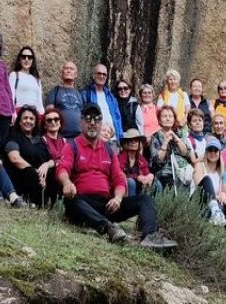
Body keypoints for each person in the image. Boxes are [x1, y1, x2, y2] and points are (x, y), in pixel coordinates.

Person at [57, 105, 177, 250]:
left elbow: (119, 178)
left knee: (145, 200)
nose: (92, 122)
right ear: (81, 122)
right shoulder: (72, 146)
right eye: (88, 118)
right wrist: (67, 183)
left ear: (101, 123)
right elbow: (63, 168)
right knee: (71, 200)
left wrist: (118, 198)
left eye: (97, 119)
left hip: (107, 204)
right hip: (84, 202)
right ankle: (108, 228)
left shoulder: (108, 150)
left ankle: (150, 236)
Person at [5, 105, 56, 206]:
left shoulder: (40, 139)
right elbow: (14, 158)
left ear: (35, 123)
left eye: (31, 119)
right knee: (31, 173)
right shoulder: (14, 136)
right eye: (25, 118)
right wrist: (37, 173)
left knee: (53, 172)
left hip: (41, 176)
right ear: (19, 122)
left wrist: (46, 166)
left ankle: (50, 204)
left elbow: (51, 159)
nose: (28, 121)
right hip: (23, 176)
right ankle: (32, 202)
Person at [149, 105, 190, 191]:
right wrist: (165, 142)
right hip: (165, 173)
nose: (168, 119)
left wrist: (176, 139)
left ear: (174, 119)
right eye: (164, 116)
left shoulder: (180, 133)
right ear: (159, 120)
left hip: (182, 171)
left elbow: (185, 153)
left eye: (170, 116)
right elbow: (157, 161)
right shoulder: (155, 137)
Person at [192, 138, 226, 225]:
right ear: (206, 152)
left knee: (225, 202)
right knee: (207, 179)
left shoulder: (221, 172)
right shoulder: (199, 165)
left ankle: (215, 217)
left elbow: (220, 194)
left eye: (215, 150)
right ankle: (215, 212)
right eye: (210, 150)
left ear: (219, 153)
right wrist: (217, 196)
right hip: (197, 200)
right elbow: (200, 186)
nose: (213, 153)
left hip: (210, 205)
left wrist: (223, 194)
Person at [82, 64, 121, 143]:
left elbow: (117, 119)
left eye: (104, 74)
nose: (101, 76)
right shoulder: (86, 94)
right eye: (99, 73)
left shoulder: (110, 97)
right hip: (95, 140)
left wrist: (120, 138)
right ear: (93, 76)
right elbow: (82, 117)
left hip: (113, 140)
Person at [44, 61, 84, 139]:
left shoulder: (79, 94)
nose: (68, 70)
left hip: (78, 137)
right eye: (66, 68)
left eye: (71, 69)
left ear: (76, 74)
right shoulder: (55, 91)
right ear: (62, 73)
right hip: (61, 136)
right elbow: (49, 113)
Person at [41, 108, 68, 205]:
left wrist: (52, 162)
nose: (53, 122)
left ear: (60, 123)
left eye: (56, 119)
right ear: (45, 125)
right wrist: (56, 162)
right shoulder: (42, 140)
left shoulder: (65, 141)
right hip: (50, 177)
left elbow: (67, 160)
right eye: (49, 120)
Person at [117, 129, 154, 196]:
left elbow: (146, 173)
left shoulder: (142, 159)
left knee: (157, 183)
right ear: (126, 143)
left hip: (139, 188)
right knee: (130, 182)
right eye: (131, 140)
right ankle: (131, 202)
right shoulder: (119, 158)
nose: (134, 142)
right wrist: (136, 177)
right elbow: (119, 175)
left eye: (136, 140)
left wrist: (150, 176)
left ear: (139, 143)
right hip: (124, 189)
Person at [8, 46, 42, 115]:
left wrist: (42, 116)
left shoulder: (37, 79)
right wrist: (13, 114)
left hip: (34, 115)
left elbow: (39, 102)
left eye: (29, 57)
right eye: (23, 57)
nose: (26, 60)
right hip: (20, 114)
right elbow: (10, 97)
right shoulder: (14, 75)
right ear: (20, 59)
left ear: (32, 60)